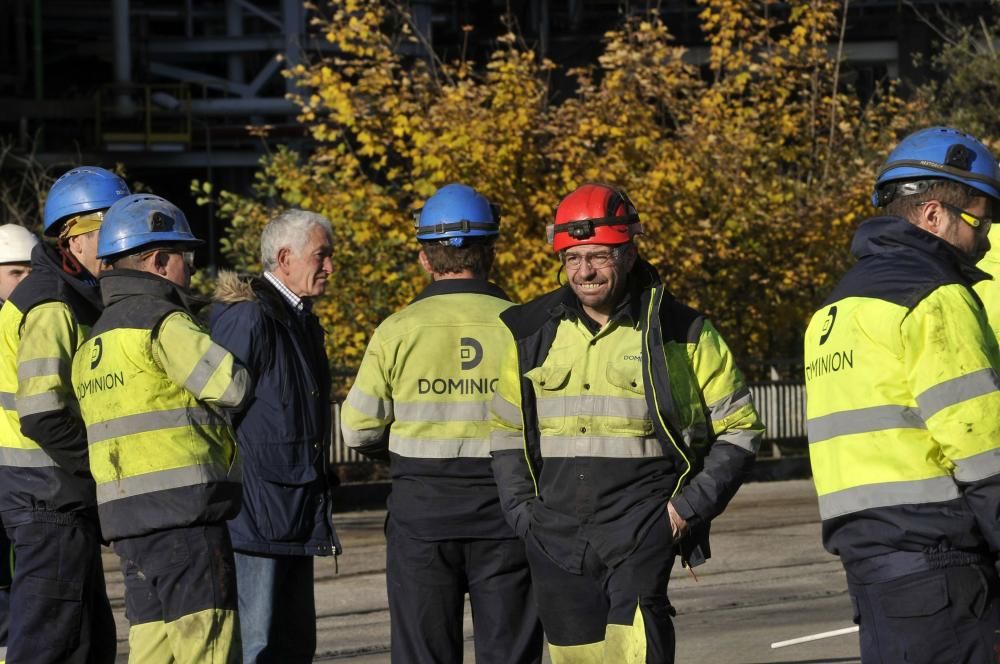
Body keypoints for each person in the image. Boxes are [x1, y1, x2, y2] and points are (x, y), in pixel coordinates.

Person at [489, 182, 763, 663]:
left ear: (630, 254)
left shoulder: (683, 332)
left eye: (599, 256)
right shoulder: (528, 331)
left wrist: (683, 513)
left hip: (641, 531)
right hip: (553, 538)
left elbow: (740, 428)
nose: (585, 271)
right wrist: (522, 515)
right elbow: (506, 432)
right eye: (573, 258)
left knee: (638, 654)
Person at [804, 126, 1000, 662]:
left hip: (872, 569)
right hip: (942, 568)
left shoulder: (835, 309)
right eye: (980, 220)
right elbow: (984, 453)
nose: (985, 239)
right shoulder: (936, 297)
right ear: (934, 214)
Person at [342, 184, 544, 664]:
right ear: (491, 252)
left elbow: (358, 430)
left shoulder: (397, 330)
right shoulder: (529, 325)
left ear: (424, 257)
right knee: (512, 653)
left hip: (422, 519)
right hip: (508, 517)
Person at [72, 194, 249, 664]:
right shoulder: (163, 323)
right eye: (185, 258)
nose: (190, 271)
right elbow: (232, 385)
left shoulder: (95, 342)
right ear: (159, 260)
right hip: (185, 517)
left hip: (127, 524)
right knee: (207, 646)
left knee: (153, 649)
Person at [0, 167, 127, 664]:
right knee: (50, 643)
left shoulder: (69, 295)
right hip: (47, 494)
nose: (122, 243)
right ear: (74, 238)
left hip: (53, 493)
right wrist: (101, 463)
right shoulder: (52, 304)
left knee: (87, 641)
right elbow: (43, 413)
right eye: (110, 232)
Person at [210, 209, 340, 664]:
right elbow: (214, 412)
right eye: (321, 256)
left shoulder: (299, 319)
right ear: (285, 258)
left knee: (293, 646)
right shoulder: (249, 318)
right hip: (255, 518)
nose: (329, 267)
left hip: (293, 511)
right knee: (257, 647)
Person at [0, 223, 39, 664]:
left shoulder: (38, 322)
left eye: (31, 271)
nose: (26, 282)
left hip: (23, 482)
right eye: (15, 273)